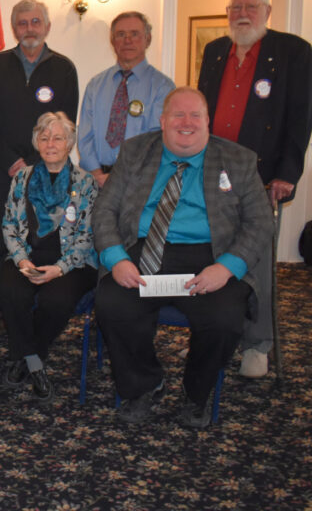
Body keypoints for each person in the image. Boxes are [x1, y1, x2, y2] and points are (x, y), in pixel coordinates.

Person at [93, 87, 273, 429]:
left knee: (224, 320)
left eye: (195, 115)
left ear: (208, 121)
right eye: (178, 115)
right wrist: (116, 258)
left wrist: (227, 267)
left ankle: (196, 392)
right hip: (145, 248)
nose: (186, 123)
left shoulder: (239, 159)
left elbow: (260, 222)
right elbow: (105, 210)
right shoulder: (135, 152)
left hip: (212, 254)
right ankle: (145, 383)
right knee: (114, 305)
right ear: (162, 121)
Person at [197, 0, 312, 378]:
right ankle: (223, 331)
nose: (242, 13)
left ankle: (257, 344)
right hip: (214, 170)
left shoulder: (293, 52)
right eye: (235, 7)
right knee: (216, 250)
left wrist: (286, 174)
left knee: (257, 259)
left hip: (262, 174)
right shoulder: (214, 52)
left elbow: (301, 117)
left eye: (251, 6)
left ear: (267, 11)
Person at [0, 112, 97, 403]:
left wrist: (59, 268)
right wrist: (22, 261)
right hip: (27, 256)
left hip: (72, 262)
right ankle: (34, 363)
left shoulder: (86, 182)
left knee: (57, 300)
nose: (50, 143)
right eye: (44, 137)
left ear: (69, 144)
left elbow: (87, 237)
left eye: (58, 137)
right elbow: (9, 226)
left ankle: (27, 357)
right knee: (12, 290)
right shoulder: (23, 178)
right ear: (36, 143)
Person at [0, 0, 78, 272]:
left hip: (47, 169)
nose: (30, 29)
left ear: (47, 27)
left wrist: (32, 161)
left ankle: (44, 292)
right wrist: (12, 160)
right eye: (23, 23)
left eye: (35, 22)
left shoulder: (64, 68)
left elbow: (66, 125)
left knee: (46, 237)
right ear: (14, 29)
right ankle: (10, 303)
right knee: (8, 242)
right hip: (4, 169)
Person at [77, 11, 175, 188]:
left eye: (135, 34)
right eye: (121, 35)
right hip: (97, 182)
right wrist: (98, 175)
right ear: (113, 41)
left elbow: (159, 141)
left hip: (141, 184)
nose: (127, 40)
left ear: (148, 39)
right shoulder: (95, 85)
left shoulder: (163, 87)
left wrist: (123, 179)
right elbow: (85, 137)